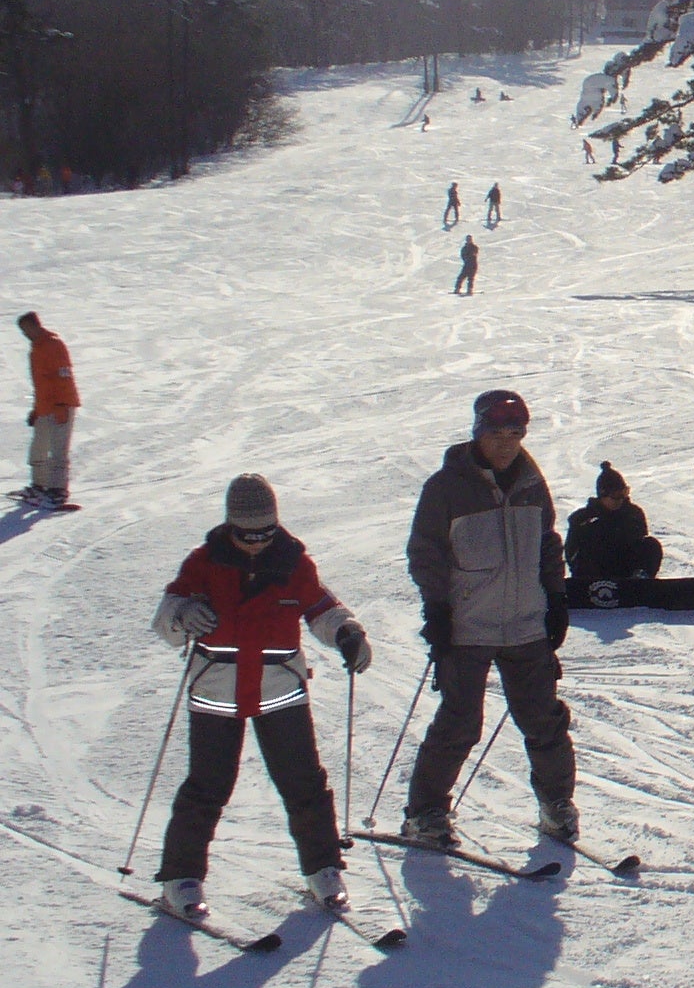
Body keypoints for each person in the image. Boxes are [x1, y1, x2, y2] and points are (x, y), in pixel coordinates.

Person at [149, 475, 372, 917]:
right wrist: (182, 613)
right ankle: (181, 878)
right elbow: (165, 618)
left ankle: (323, 868)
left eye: (265, 533)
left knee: (303, 781)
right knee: (208, 785)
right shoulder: (204, 562)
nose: (256, 543)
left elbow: (322, 607)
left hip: (279, 690)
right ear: (231, 526)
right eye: (247, 535)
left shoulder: (293, 563)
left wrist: (348, 632)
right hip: (216, 690)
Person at [400, 389, 577, 847]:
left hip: (524, 623)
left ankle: (556, 805)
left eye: (516, 433)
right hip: (468, 626)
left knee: (543, 719)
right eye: (497, 433)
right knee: (460, 724)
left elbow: (547, 542)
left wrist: (556, 596)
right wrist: (437, 610)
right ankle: (425, 813)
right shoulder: (446, 487)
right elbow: (425, 553)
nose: (506, 442)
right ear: (479, 432)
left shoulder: (531, 481)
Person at [17, 311, 78, 509]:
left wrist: (61, 406)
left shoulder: (53, 345)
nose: (24, 333)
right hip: (44, 407)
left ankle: (58, 490)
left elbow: (63, 376)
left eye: (26, 329)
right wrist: (36, 410)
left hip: (60, 405)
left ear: (35, 325)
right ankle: (39, 486)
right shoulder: (36, 348)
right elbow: (41, 385)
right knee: (38, 449)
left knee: (58, 450)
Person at [565, 463, 663, 585]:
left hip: (626, 571)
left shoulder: (633, 513)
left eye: (624, 493)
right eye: (616, 495)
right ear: (603, 495)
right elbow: (572, 553)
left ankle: (640, 581)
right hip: (595, 576)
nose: (620, 499)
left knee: (651, 544)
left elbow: (640, 543)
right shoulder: (582, 519)